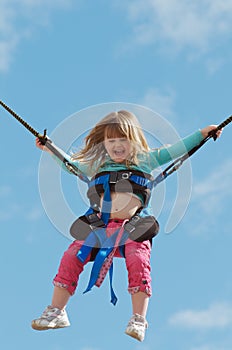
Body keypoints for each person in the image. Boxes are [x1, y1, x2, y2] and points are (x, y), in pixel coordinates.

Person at [31, 110, 222, 341]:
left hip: (133, 227)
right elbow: (70, 165)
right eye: (111, 141)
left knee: (138, 260)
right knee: (71, 256)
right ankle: (56, 311)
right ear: (104, 143)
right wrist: (50, 148)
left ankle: (139, 319)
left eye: (123, 140)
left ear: (135, 141)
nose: (117, 145)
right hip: (99, 227)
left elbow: (176, 150)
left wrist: (202, 134)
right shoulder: (97, 165)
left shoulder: (146, 159)